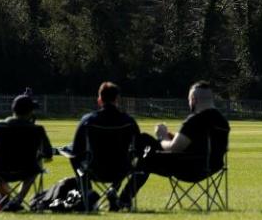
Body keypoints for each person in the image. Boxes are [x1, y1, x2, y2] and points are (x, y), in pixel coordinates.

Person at [121, 81, 230, 209]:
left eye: (189, 99)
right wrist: (170, 137)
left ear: (194, 99)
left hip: (186, 168)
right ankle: (122, 193)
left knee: (145, 147)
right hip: (211, 167)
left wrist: (162, 136)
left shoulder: (194, 120)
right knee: (146, 151)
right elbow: (196, 144)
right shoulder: (222, 122)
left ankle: (122, 194)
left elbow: (174, 148)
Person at [66, 82, 140, 209]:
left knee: (72, 155)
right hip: (121, 169)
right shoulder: (129, 121)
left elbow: (77, 149)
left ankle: (88, 194)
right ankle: (119, 194)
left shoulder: (88, 120)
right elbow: (138, 147)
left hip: (94, 169)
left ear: (100, 99)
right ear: (117, 99)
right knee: (140, 164)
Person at [0, 94, 53, 210]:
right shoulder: (37, 130)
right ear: (30, 112)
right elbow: (48, 153)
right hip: (27, 170)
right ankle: (18, 199)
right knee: (36, 167)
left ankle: (6, 200)